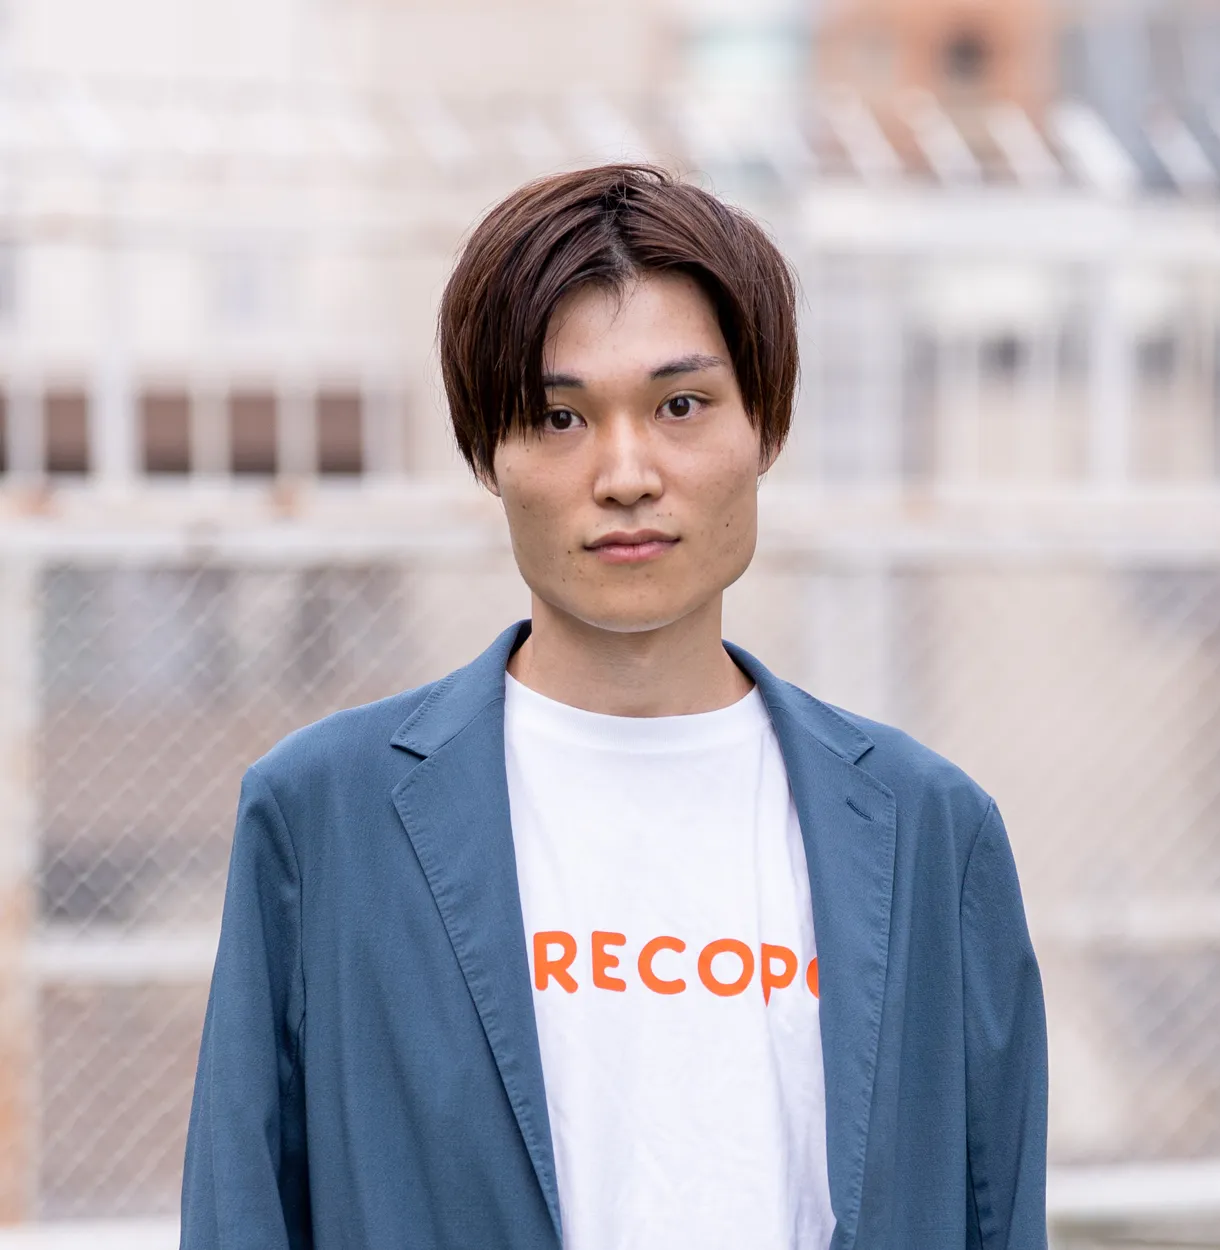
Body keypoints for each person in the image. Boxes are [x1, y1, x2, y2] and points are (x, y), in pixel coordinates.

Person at [180, 164, 1048, 1250]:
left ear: (765, 426)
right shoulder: (324, 816)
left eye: (680, 405)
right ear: (487, 455)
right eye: (558, 416)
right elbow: (241, 1209)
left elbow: (993, 1210)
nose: (626, 473)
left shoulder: (930, 829)